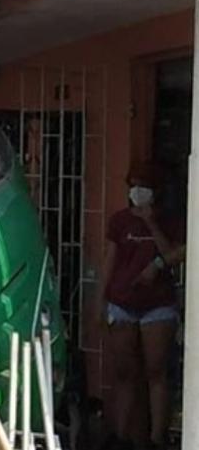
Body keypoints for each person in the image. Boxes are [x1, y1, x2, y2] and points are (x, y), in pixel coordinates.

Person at [102, 166, 186, 449]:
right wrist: (99, 302)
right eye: (133, 185)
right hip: (122, 304)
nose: (137, 191)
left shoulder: (171, 221)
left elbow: (175, 254)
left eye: (144, 186)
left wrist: (151, 224)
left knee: (156, 372)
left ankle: (156, 439)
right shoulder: (120, 221)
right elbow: (109, 263)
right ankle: (120, 436)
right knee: (125, 373)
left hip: (158, 306)